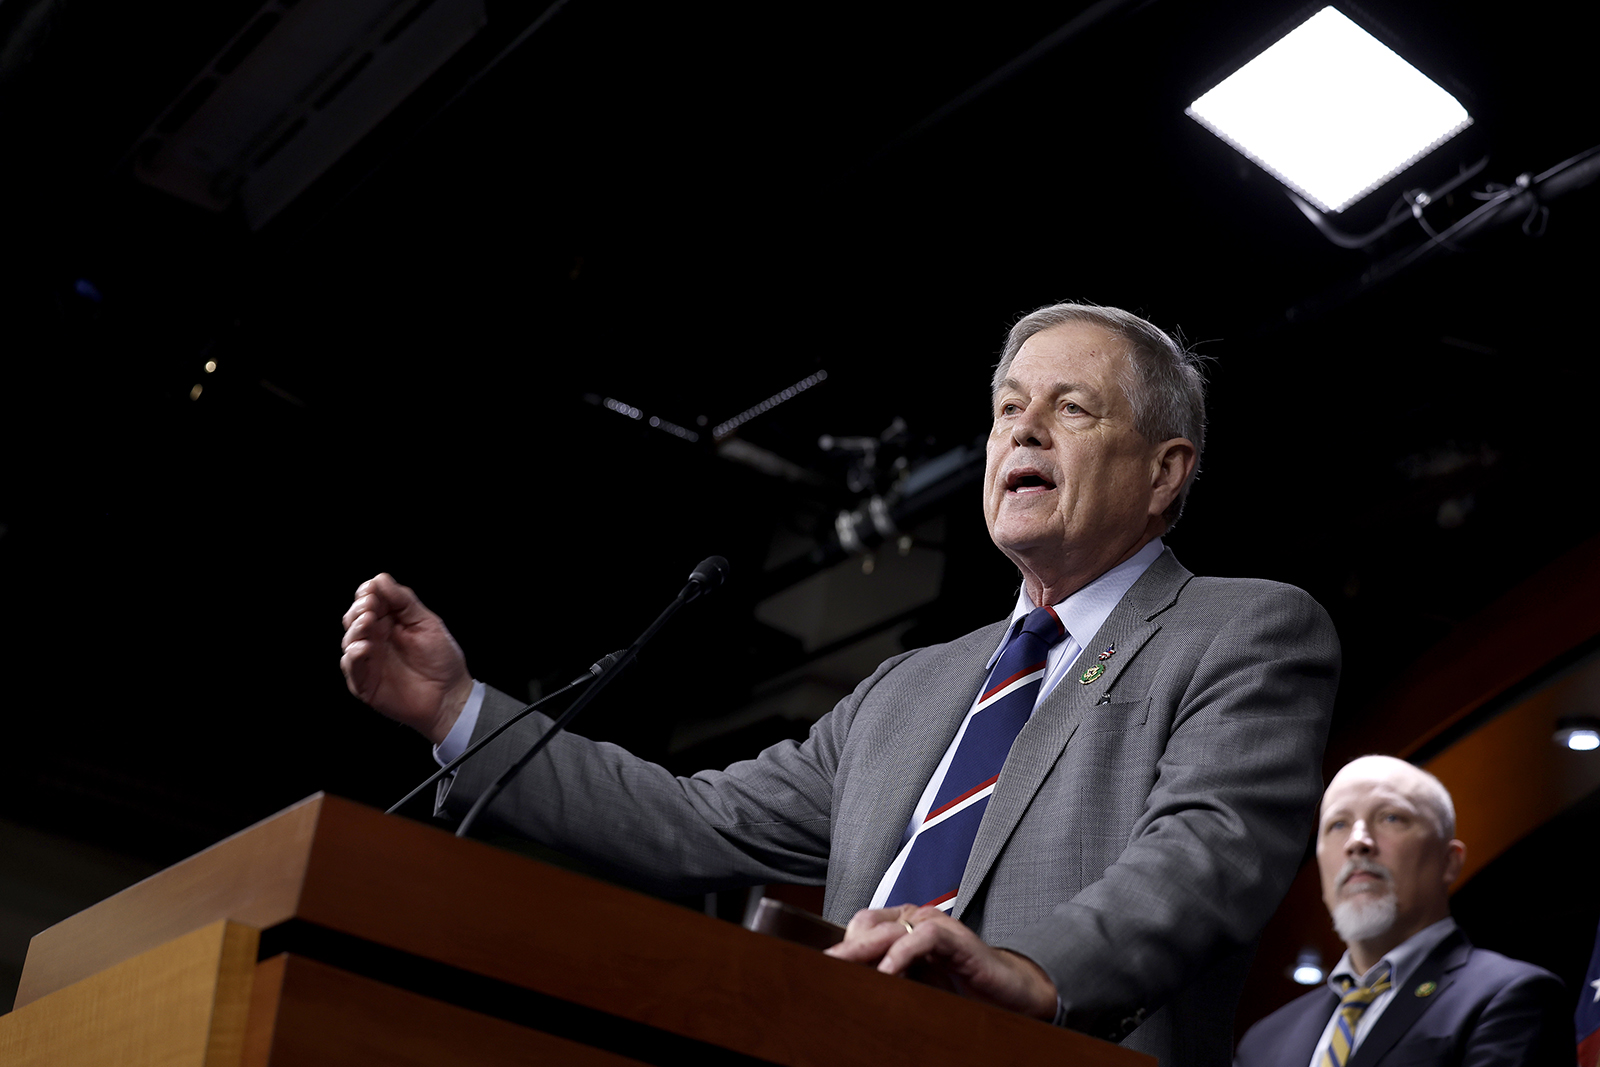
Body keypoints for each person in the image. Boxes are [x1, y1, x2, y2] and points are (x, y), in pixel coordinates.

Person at [341, 302, 1341, 1067]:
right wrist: (456, 710)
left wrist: (1034, 973)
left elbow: (1205, 853)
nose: (1021, 432)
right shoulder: (907, 685)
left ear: (1167, 471)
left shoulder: (1242, 627)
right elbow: (693, 822)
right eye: (1005, 409)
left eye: (1069, 408)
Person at [1234, 756, 1569, 1067]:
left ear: (1449, 861)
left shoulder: (1511, 998)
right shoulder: (1263, 1043)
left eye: (1391, 817)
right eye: (1338, 824)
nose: (1358, 841)